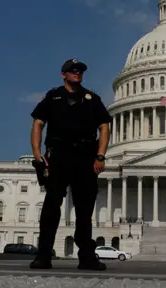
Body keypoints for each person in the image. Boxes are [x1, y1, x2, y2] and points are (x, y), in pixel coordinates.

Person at [29, 58, 111, 271]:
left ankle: (86, 256)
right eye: (72, 71)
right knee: (51, 207)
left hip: (85, 157)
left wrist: (100, 155)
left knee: (85, 210)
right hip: (58, 156)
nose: (77, 73)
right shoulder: (53, 97)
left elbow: (104, 125)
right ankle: (44, 255)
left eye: (80, 71)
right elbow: (38, 123)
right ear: (63, 74)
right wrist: (38, 154)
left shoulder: (92, 99)